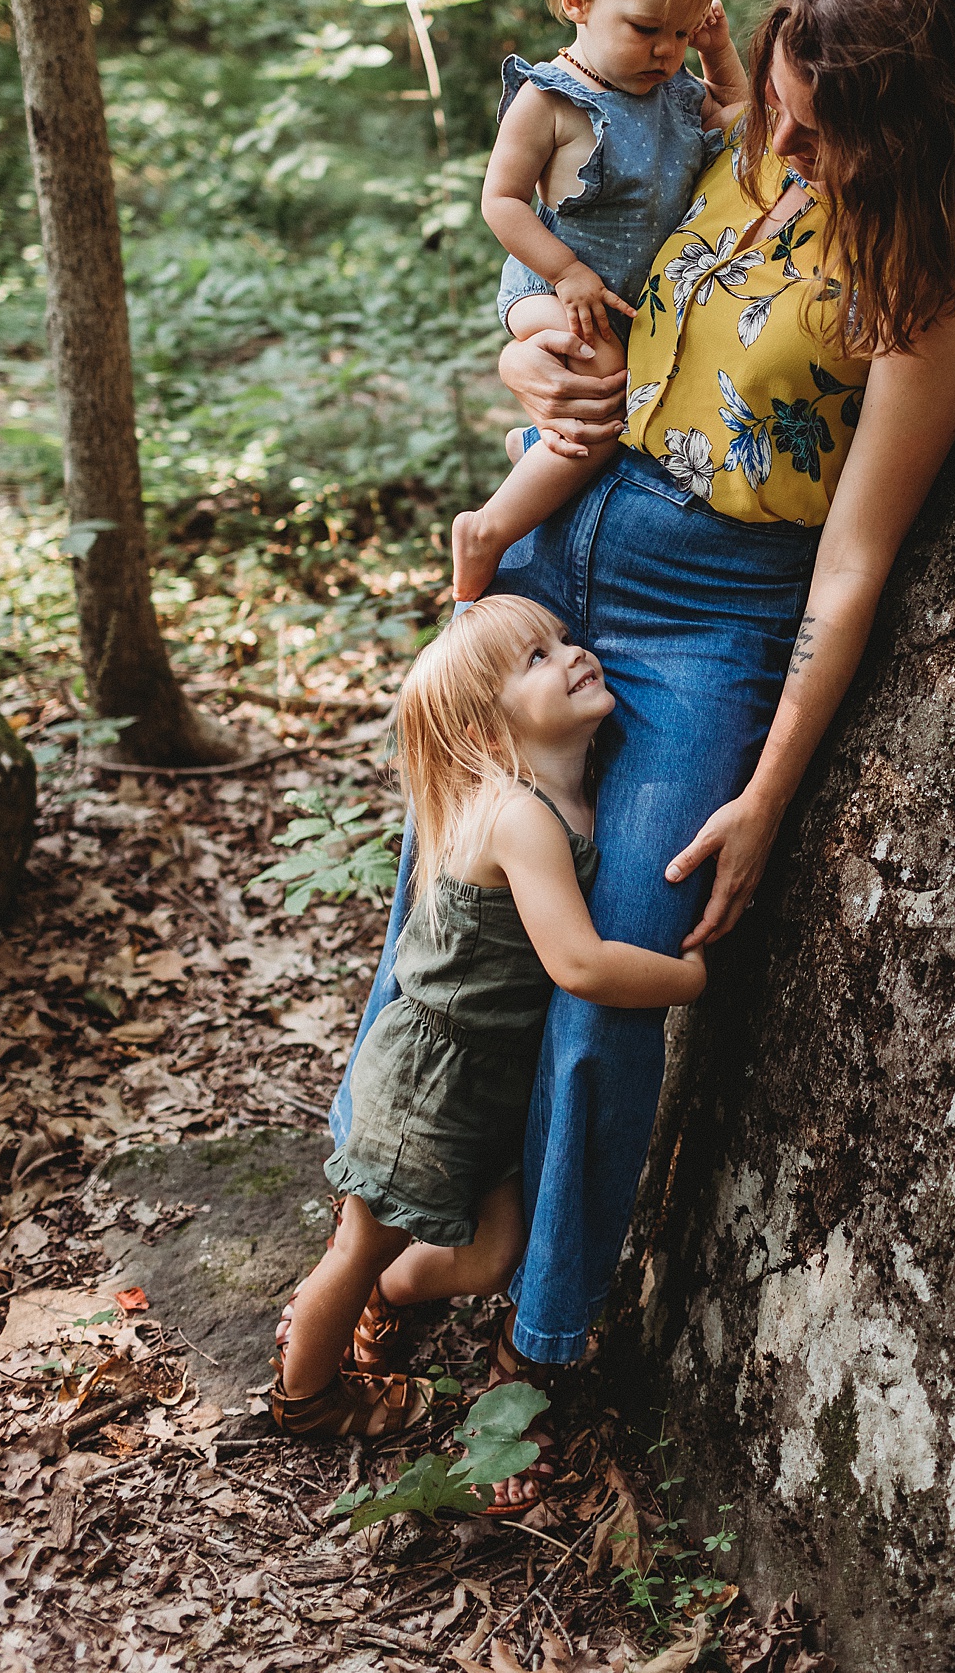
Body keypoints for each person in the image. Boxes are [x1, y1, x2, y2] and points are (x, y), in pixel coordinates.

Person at [337, 0, 955, 1498]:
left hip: (714, 618)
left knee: (611, 982)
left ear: (907, 128)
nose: (782, 138)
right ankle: (385, 1226)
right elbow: (581, 279)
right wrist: (533, 347)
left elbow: (847, 571)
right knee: (447, 894)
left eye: (819, 122)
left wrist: (770, 790)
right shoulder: (724, 134)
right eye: (776, 95)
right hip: (564, 547)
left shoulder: (925, 293)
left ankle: (547, 1348)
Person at [273, 596, 704, 1440]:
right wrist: (687, 979)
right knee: (358, 1245)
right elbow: (578, 963)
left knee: (495, 1253)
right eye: (535, 660)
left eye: (563, 639)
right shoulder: (516, 816)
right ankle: (308, 1396)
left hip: (489, 1076)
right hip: (430, 1081)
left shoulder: (573, 790)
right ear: (486, 729)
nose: (573, 654)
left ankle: (386, 1297)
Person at [459, 0, 749, 600]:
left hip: (622, 297)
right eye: (648, 29)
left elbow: (745, 117)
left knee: (609, 397)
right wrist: (564, 273)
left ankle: (534, 453)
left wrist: (715, 54)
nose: (665, 50)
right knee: (606, 398)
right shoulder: (552, 99)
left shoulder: (680, 91)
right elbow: (501, 202)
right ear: (578, 1)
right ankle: (489, 530)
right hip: (553, 284)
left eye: (683, 31)